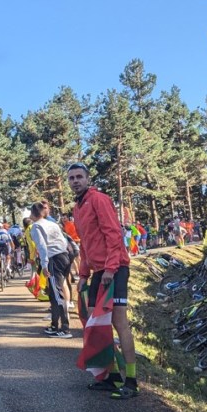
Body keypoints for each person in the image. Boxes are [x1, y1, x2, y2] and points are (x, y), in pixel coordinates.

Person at [67, 162, 138, 398]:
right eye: (71, 178)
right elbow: (85, 244)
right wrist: (83, 275)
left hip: (115, 269)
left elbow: (114, 234)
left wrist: (110, 268)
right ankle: (112, 376)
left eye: (79, 177)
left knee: (119, 322)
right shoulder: (78, 207)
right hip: (97, 271)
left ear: (88, 179)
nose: (75, 181)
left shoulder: (98, 199)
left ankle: (131, 381)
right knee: (96, 325)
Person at [30, 202, 73, 339]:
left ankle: (65, 328)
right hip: (64, 256)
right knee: (54, 293)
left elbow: (42, 247)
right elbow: (63, 240)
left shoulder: (36, 227)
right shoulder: (53, 224)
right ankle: (54, 325)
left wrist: (44, 265)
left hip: (53, 258)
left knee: (57, 294)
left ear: (33, 213)